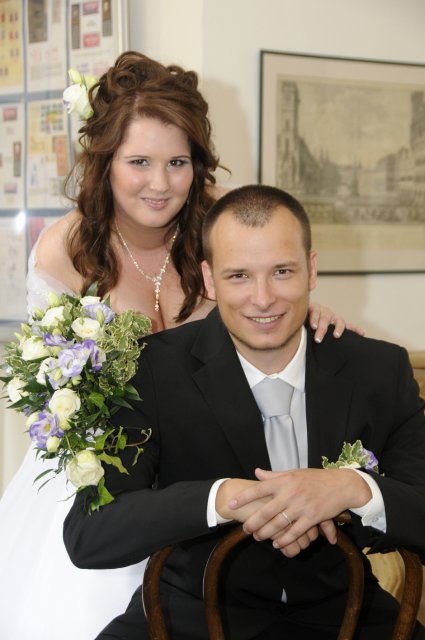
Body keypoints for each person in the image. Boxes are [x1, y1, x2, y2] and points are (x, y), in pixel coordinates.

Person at [0, 52, 360, 640]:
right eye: (139, 162)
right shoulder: (66, 250)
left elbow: (270, 293)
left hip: (214, 459)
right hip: (111, 471)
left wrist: (307, 314)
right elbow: (52, 385)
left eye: (177, 162)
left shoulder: (222, 221)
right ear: (105, 162)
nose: (161, 183)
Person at [64, 184, 425, 640]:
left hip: (345, 614)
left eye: (282, 271)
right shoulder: (150, 370)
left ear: (311, 269)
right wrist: (223, 498)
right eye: (238, 276)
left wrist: (353, 488)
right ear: (209, 279)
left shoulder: (379, 369)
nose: (263, 298)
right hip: (191, 615)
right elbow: (90, 534)